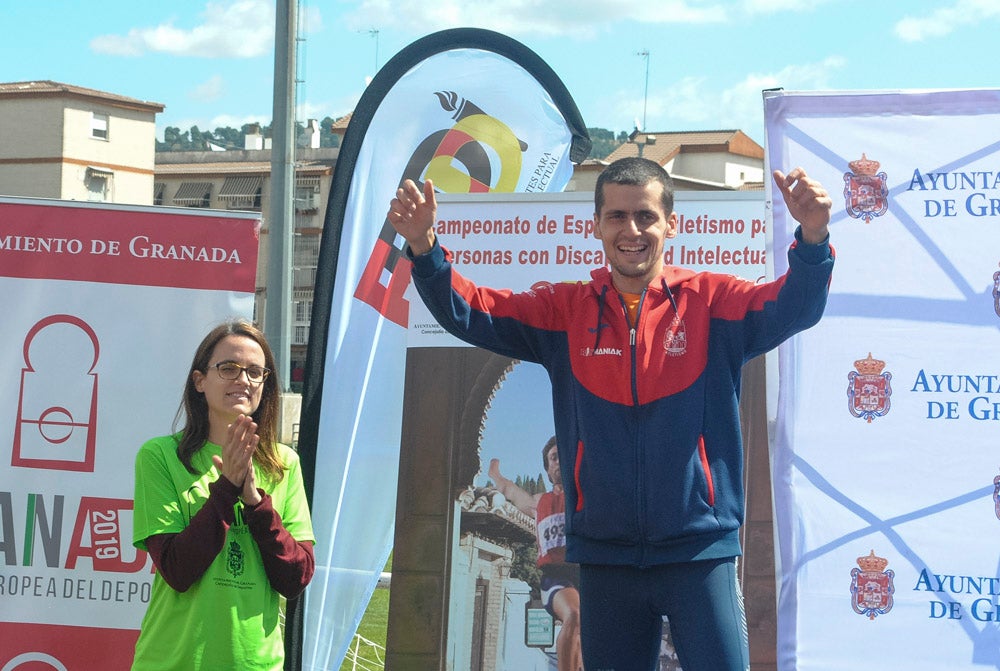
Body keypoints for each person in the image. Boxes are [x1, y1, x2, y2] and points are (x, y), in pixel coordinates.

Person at [387, 156, 834, 671]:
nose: (632, 230)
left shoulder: (712, 303)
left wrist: (814, 236)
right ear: (595, 225)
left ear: (671, 223)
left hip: (699, 554)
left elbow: (795, 305)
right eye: (617, 216)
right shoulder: (566, 310)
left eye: (645, 216)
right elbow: (474, 311)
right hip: (605, 559)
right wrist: (424, 247)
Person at [130, 319, 315, 671]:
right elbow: (177, 570)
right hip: (172, 661)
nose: (243, 380)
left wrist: (256, 504)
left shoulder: (284, 463)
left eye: (255, 372)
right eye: (229, 368)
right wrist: (227, 487)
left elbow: (295, 578)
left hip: (254, 664)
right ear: (200, 381)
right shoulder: (160, 456)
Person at [489, 437, 582, 671]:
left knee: (584, 634)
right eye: (554, 457)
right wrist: (496, 474)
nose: (559, 461)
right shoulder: (539, 503)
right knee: (574, 614)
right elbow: (510, 490)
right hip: (556, 577)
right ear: (548, 470)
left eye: (564, 456)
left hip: (588, 575)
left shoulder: (585, 498)